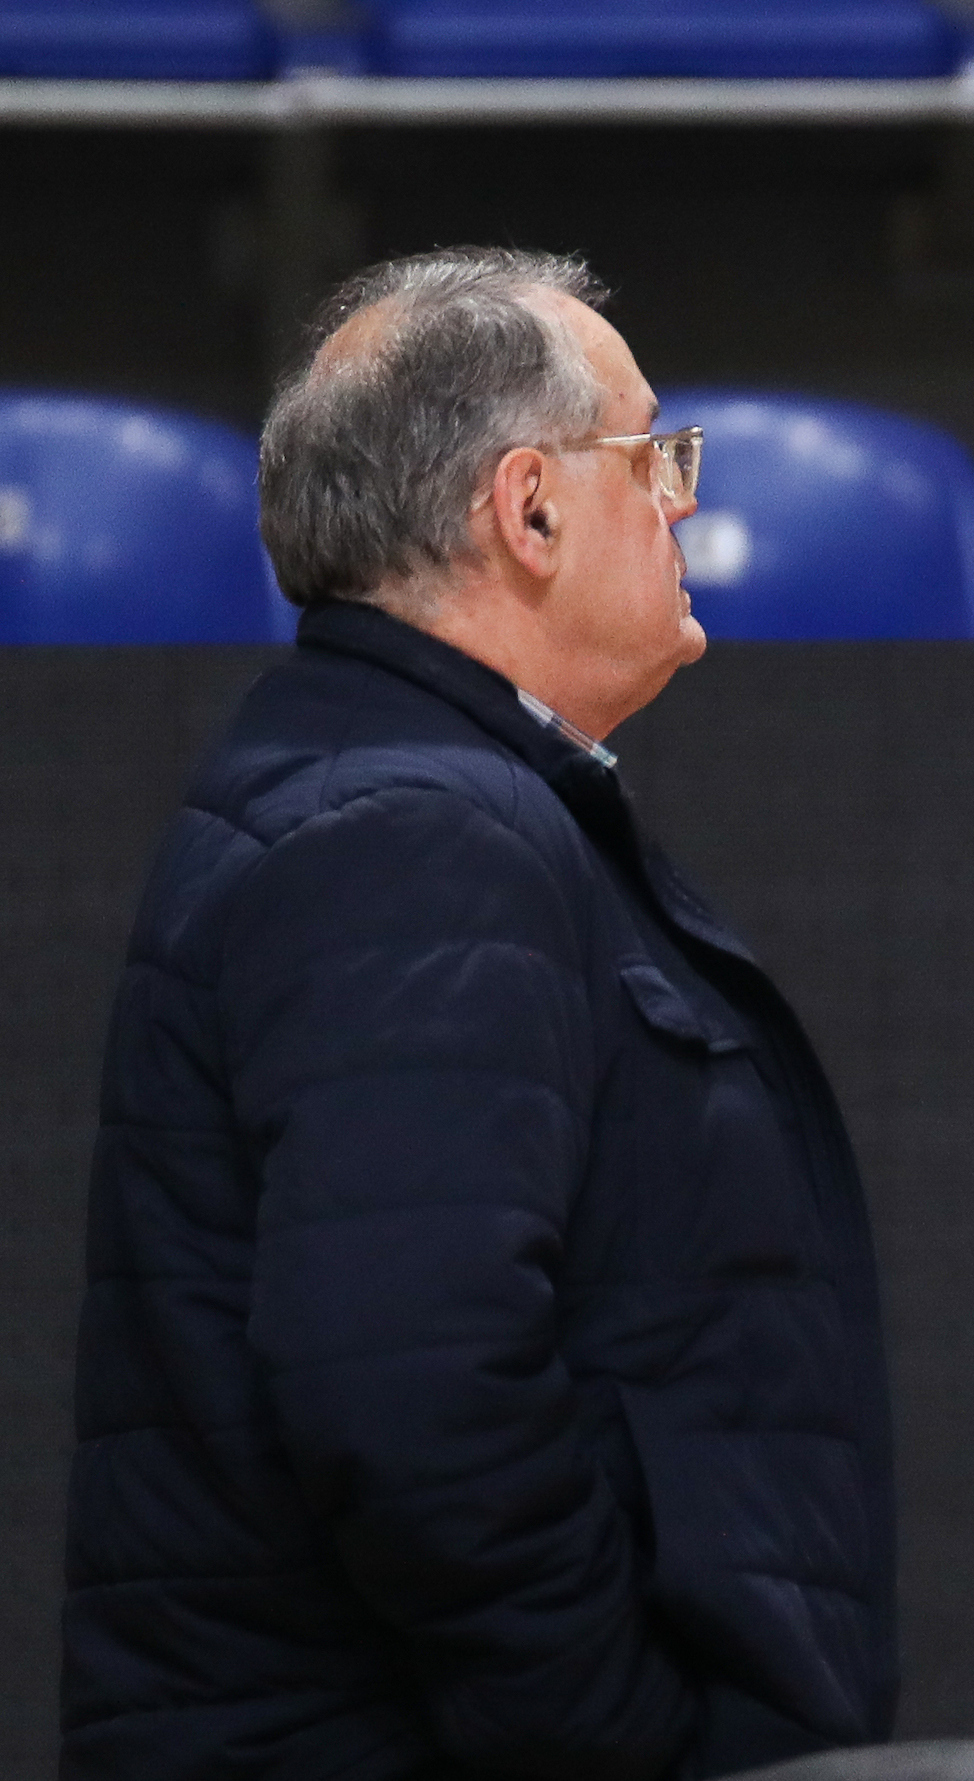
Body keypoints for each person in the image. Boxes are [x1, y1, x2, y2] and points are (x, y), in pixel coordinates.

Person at [64, 249, 895, 1780]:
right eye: (652, 455)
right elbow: (411, 1385)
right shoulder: (414, 829)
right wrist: (621, 1741)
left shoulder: (384, 787)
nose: (683, 499)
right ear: (527, 509)